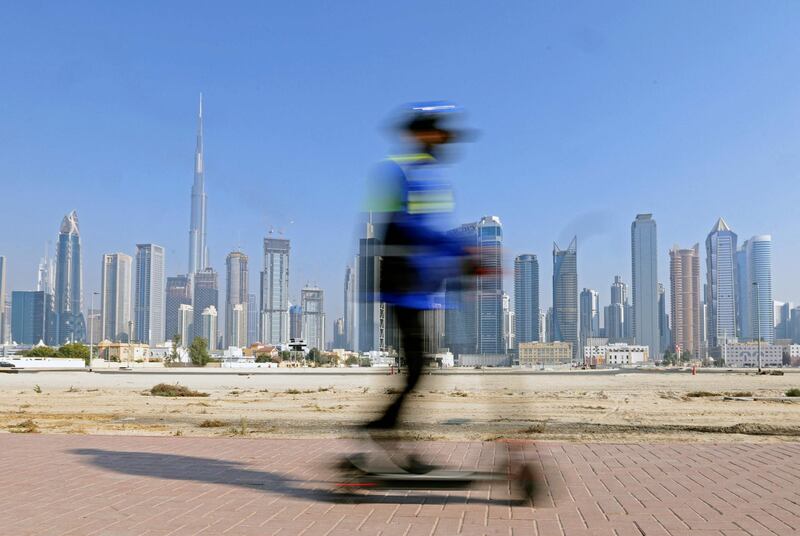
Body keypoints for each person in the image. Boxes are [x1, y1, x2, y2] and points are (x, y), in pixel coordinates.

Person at [361, 103, 475, 469]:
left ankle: (387, 430)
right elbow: (409, 227)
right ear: (424, 134)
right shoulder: (403, 173)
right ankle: (384, 429)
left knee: (419, 369)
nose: (445, 140)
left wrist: (455, 257)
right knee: (417, 369)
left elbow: (426, 231)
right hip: (405, 285)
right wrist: (460, 249)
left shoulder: (425, 173)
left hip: (420, 286)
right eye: (439, 132)